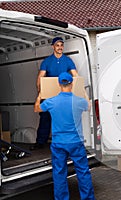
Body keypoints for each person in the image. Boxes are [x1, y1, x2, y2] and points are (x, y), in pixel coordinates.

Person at [34, 72, 95, 200]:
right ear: (71, 84)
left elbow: (37, 109)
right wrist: (83, 91)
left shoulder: (52, 102)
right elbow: (89, 106)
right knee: (83, 172)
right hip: (76, 142)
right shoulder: (79, 102)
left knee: (59, 173)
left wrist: (41, 93)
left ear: (59, 84)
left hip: (59, 143)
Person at [31, 36, 78, 150]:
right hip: (49, 96)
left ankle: (66, 144)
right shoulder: (47, 61)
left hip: (63, 95)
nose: (60, 47)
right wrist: (40, 92)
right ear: (53, 47)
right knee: (45, 119)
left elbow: (75, 75)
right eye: (57, 45)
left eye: (61, 45)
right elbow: (40, 77)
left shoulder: (68, 61)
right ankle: (40, 142)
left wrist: (77, 89)